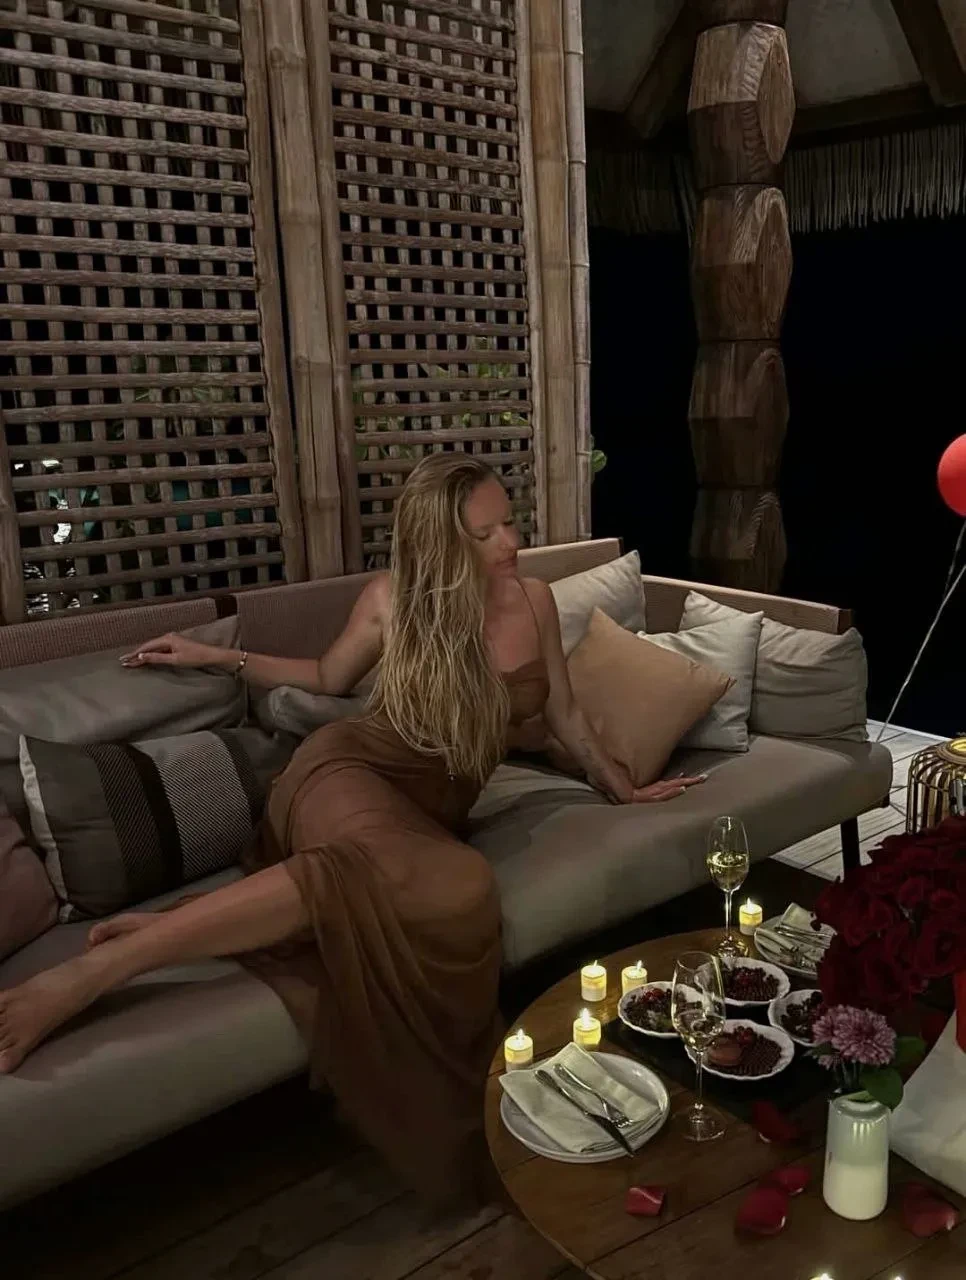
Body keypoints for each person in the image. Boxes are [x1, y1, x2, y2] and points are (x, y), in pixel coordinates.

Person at [0, 454, 703, 1200]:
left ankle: (174, 927)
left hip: (427, 813)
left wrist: (622, 786)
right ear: (440, 541)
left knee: (461, 888)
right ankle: (95, 972)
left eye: (509, 522)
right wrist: (216, 655)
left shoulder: (533, 601)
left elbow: (562, 711)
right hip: (348, 772)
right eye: (485, 533)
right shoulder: (392, 601)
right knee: (378, 865)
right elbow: (326, 679)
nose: (510, 543)